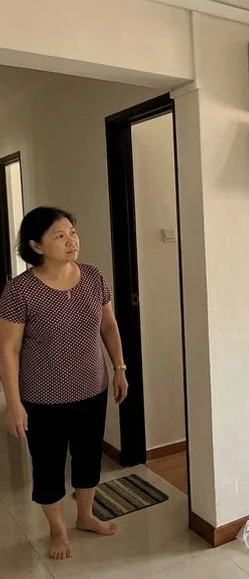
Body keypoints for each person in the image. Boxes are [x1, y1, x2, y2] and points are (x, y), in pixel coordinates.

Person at [0, 207, 129, 560]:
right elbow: (8, 350)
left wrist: (119, 367)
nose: (71, 239)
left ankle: (85, 515)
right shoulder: (20, 290)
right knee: (49, 464)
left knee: (88, 457)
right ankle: (58, 529)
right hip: (43, 396)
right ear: (36, 245)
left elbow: (108, 327)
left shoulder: (92, 276)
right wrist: (13, 402)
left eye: (72, 231)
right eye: (59, 235)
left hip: (93, 385)